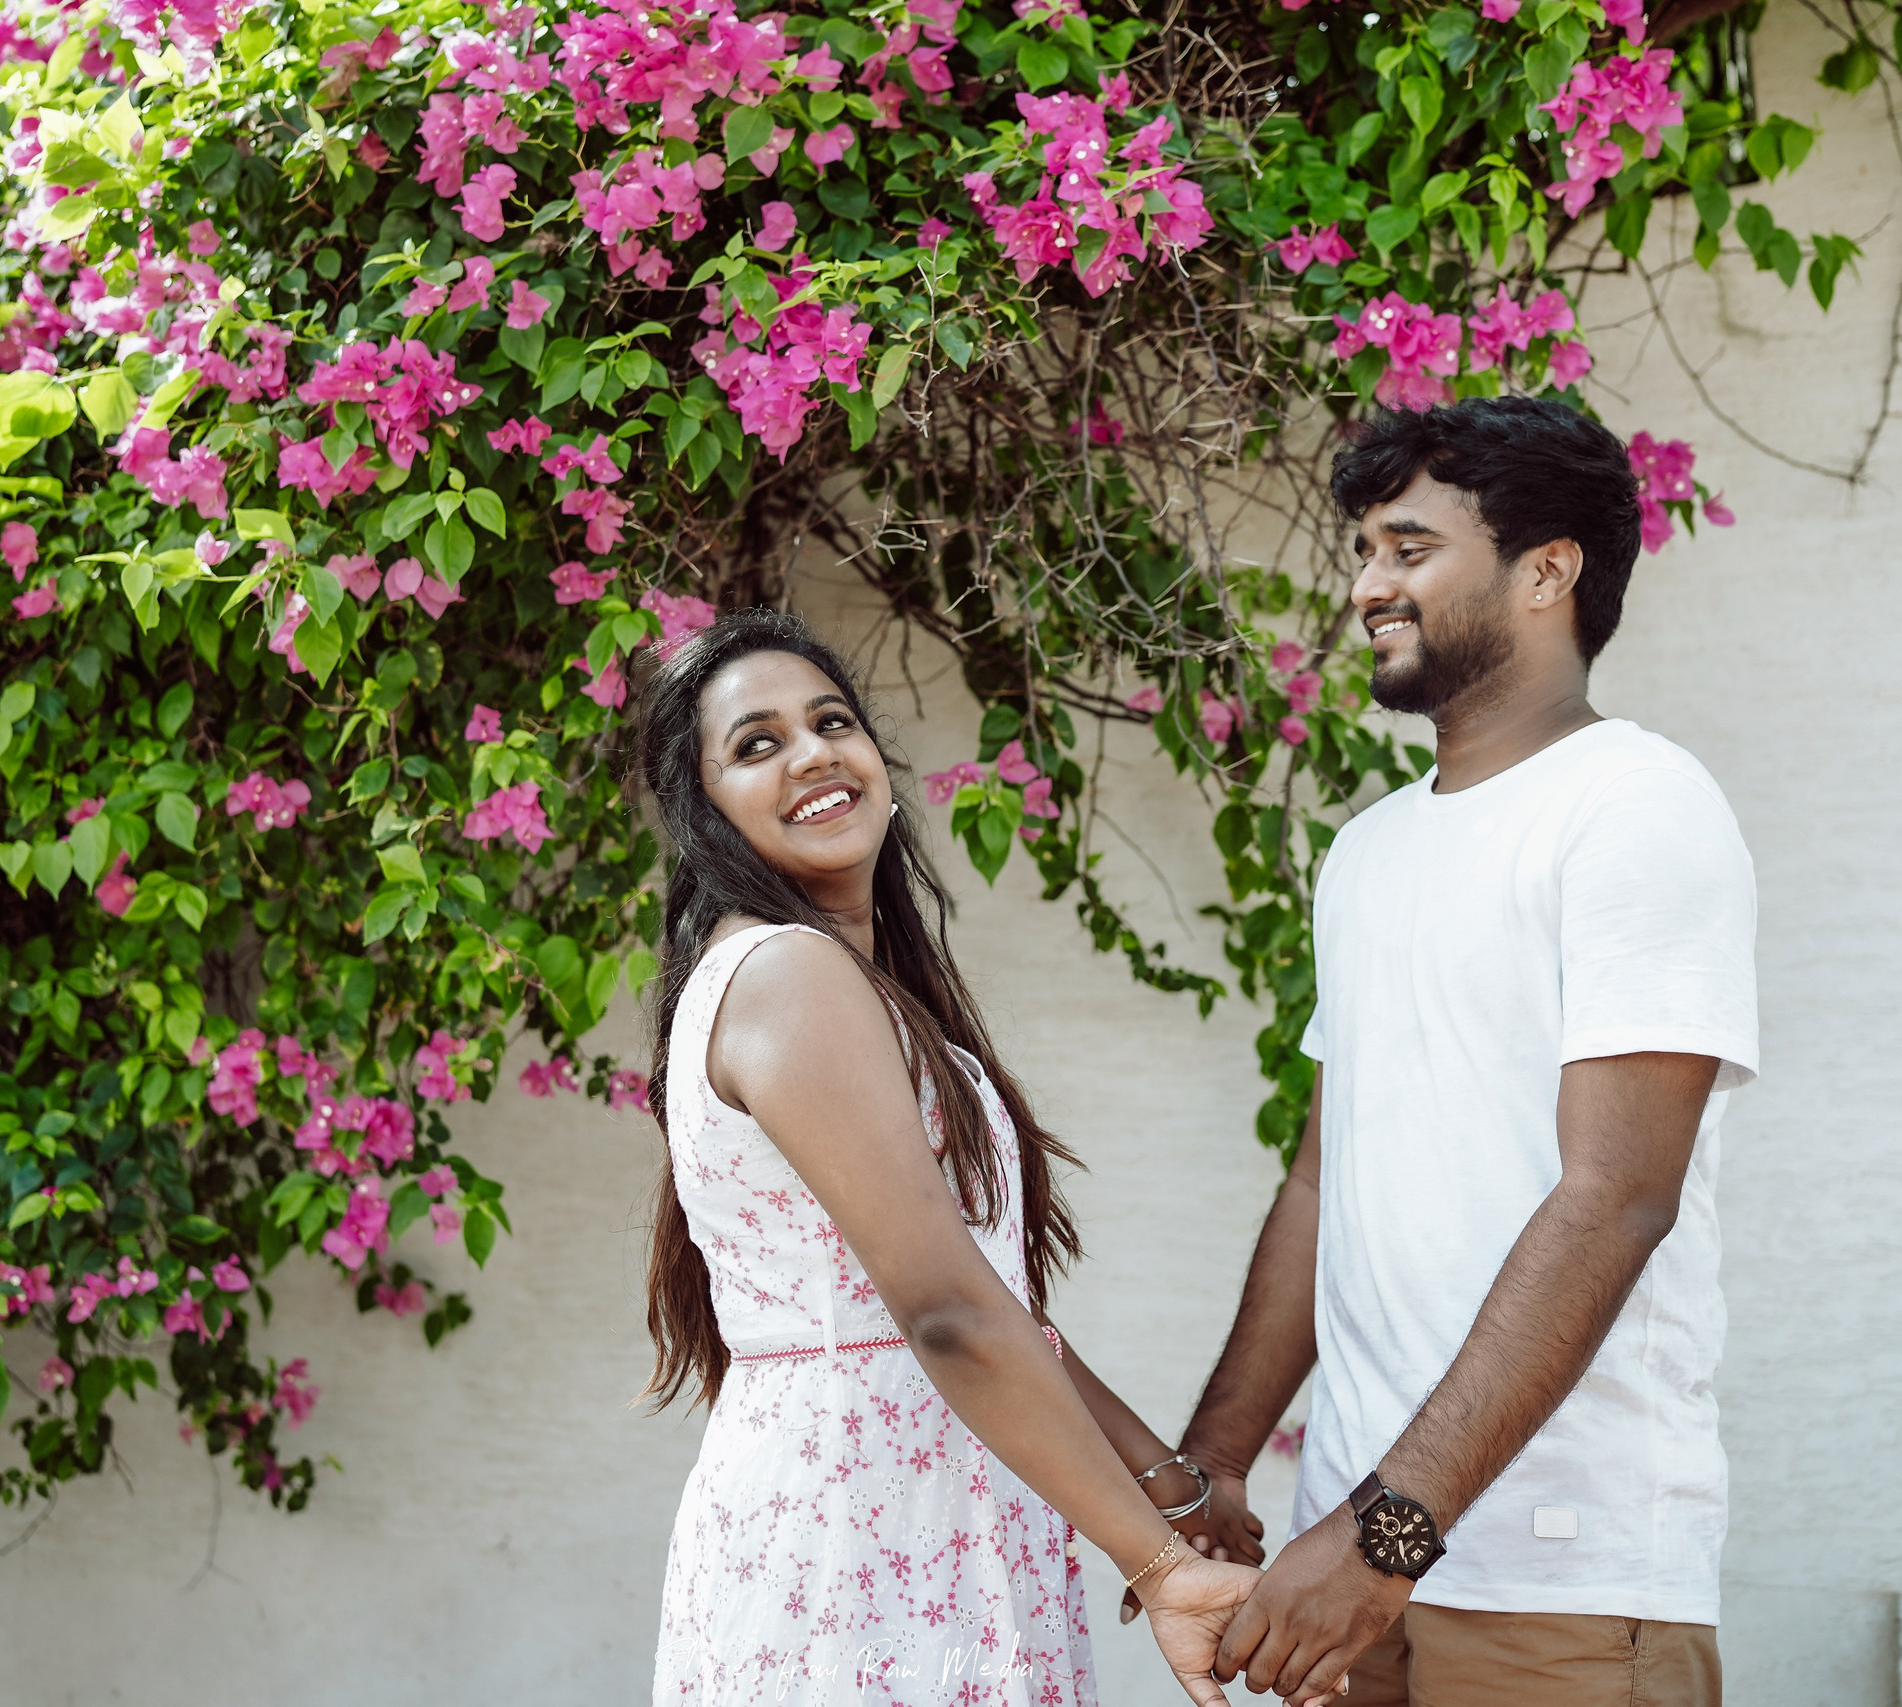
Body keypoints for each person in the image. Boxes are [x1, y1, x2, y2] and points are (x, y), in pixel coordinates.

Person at [1174, 397, 1760, 1706]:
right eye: (1364, 552)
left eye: (1410, 548)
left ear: (1546, 571)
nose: (1366, 586)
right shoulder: (1368, 849)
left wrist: (1386, 1535)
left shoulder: (1635, 807)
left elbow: (1617, 1198)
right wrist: (1217, 1456)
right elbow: (1321, 1182)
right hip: (1348, 1578)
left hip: (1558, 1577)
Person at [636, 609, 1257, 1706]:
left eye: (832, 721)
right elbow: (946, 1316)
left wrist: (1161, 1482)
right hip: (858, 1537)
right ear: (705, 812)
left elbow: (993, 1302)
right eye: (758, 743)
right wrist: (1159, 1566)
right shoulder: (788, 975)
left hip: (929, 1510)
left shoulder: (845, 982)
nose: (813, 753)